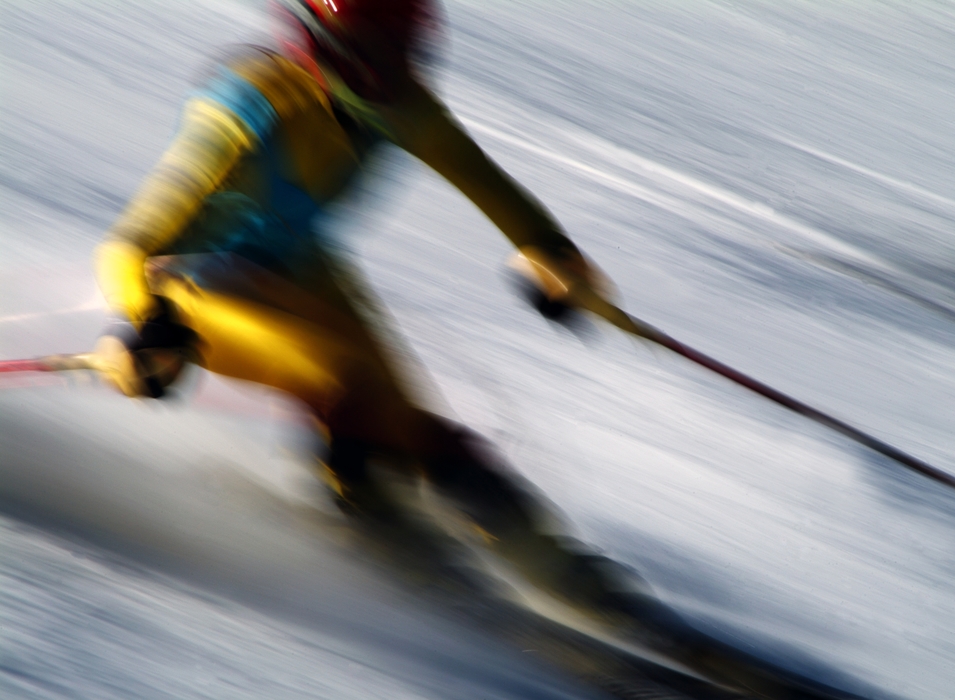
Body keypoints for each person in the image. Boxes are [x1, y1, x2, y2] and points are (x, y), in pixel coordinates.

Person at [90, 3, 855, 697]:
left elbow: (492, 189)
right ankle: (398, 548)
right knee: (344, 381)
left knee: (405, 417)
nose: (397, 73)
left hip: (306, 273)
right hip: (198, 292)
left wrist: (553, 255)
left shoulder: (403, 107)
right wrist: (146, 329)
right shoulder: (253, 102)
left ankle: (568, 580)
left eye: (407, 50)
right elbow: (131, 246)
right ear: (328, 41)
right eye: (380, 52)